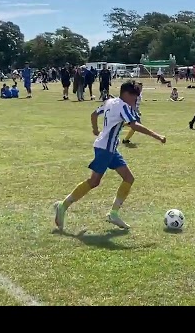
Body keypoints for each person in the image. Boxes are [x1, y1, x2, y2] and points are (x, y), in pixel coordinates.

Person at [53, 80, 166, 231]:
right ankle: (63, 205)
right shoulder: (124, 106)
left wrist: (95, 130)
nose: (136, 99)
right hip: (105, 149)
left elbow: (94, 114)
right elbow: (134, 125)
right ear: (127, 94)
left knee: (128, 178)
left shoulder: (110, 102)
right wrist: (156, 135)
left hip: (110, 148)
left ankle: (113, 213)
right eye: (135, 96)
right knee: (94, 181)